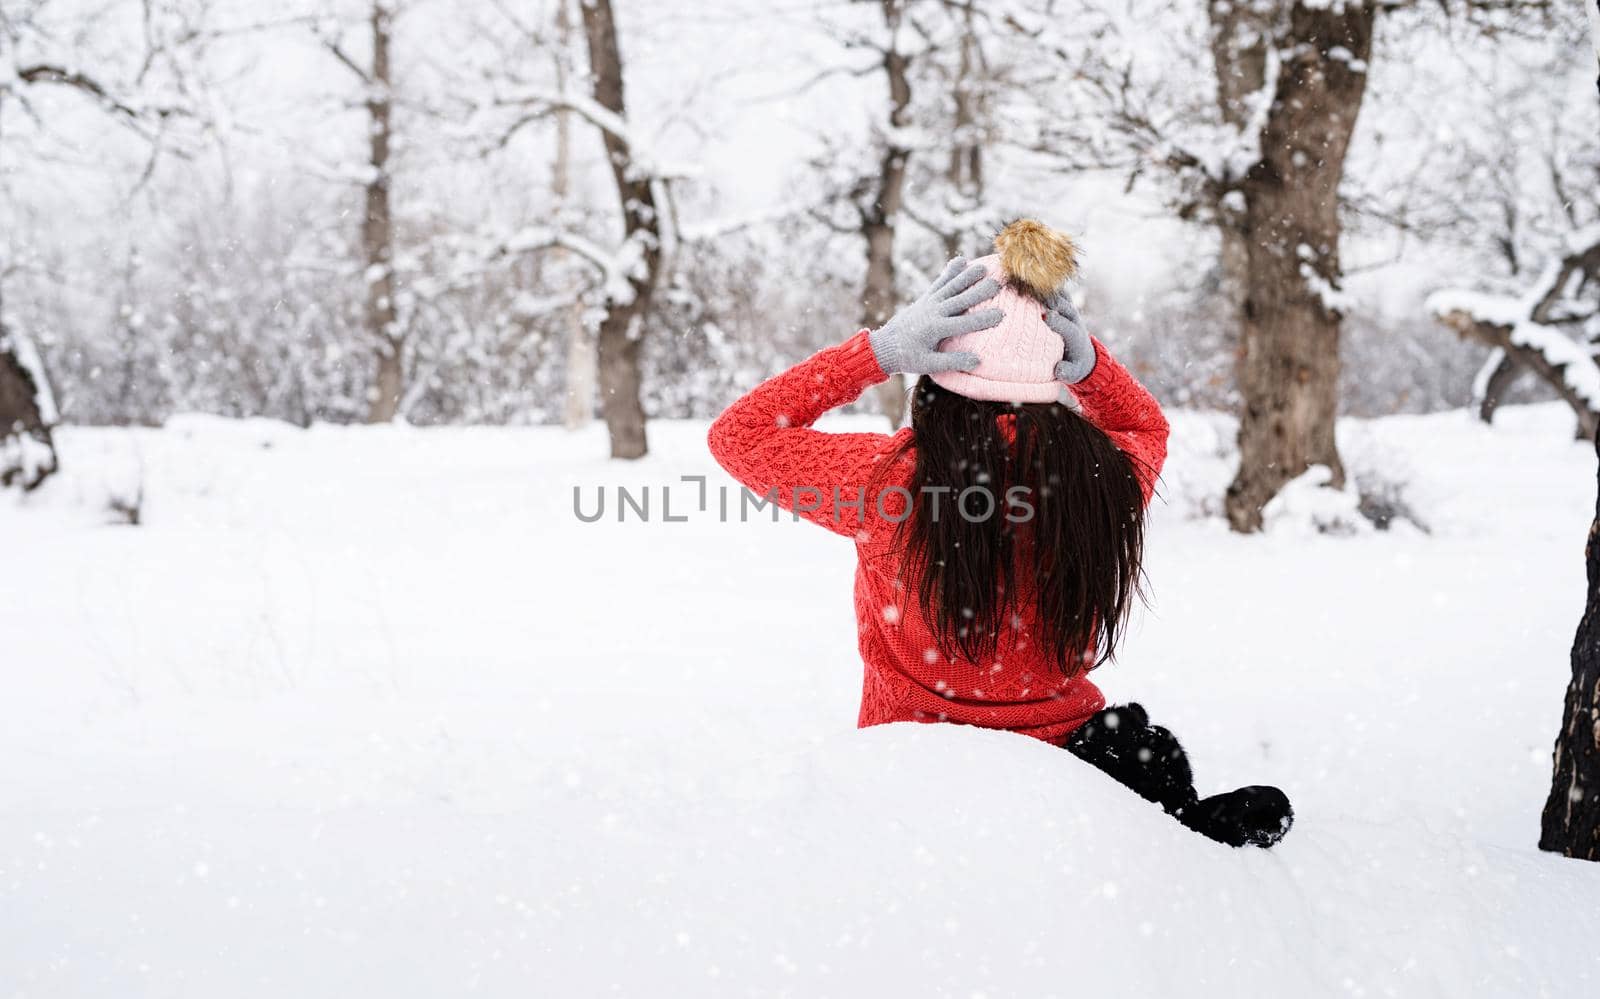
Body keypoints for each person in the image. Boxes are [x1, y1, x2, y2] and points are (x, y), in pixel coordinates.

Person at [708, 219, 1292, 848]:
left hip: (907, 766)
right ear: (1052, 371)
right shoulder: (1102, 481)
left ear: (932, 378)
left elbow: (739, 435)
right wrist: (1092, 368)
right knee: (1139, 755)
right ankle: (1176, 838)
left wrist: (874, 354)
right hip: (1073, 767)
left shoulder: (887, 483)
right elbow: (1146, 428)